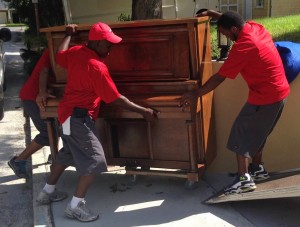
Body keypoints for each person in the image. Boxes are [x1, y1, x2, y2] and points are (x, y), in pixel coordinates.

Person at [36, 23, 159, 222]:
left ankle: (46, 193)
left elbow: (59, 54)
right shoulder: (97, 67)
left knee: (66, 154)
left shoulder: (76, 52)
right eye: (108, 46)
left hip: (66, 115)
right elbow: (116, 98)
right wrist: (143, 110)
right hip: (78, 119)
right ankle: (75, 206)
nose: (110, 51)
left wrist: (68, 35)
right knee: (96, 160)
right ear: (98, 42)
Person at [180, 10, 290, 195]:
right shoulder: (256, 28)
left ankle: (244, 180)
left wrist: (195, 94)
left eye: (226, 34)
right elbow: (235, 19)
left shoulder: (244, 46)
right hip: (279, 92)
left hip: (265, 97)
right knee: (258, 134)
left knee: (240, 133)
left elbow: (219, 78)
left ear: (234, 29)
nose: (226, 38)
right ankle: (257, 169)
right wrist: (213, 14)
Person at [8, 48, 56, 179]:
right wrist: (42, 92)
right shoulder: (54, 49)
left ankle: (55, 156)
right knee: (47, 134)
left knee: (57, 128)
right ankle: (18, 161)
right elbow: (44, 71)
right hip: (32, 98)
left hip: (41, 98)